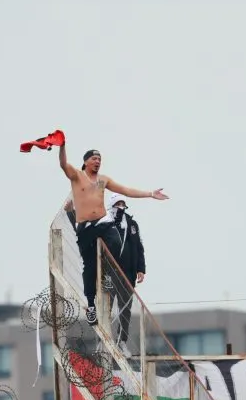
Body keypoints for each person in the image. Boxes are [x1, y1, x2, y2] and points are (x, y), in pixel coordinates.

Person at [53, 138, 168, 325]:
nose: (98, 161)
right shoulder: (77, 175)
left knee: (115, 242)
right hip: (85, 227)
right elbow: (63, 164)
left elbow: (125, 190)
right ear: (86, 161)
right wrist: (63, 145)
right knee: (89, 268)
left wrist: (150, 194)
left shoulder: (103, 180)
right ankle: (90, 305)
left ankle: (106, 274)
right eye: (94, 159)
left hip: (103, 221)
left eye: (100, 159)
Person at [106, 192, 147, 347]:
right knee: (106, 307)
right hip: (109, 274)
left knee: (125, 308)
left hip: (127, 273)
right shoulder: (105, 223)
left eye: (123, 204)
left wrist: (140, 269)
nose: (121, 207)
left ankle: (122, 340)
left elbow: (139, 247)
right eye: (118, 204)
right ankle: (105, 338)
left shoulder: (132, 224)